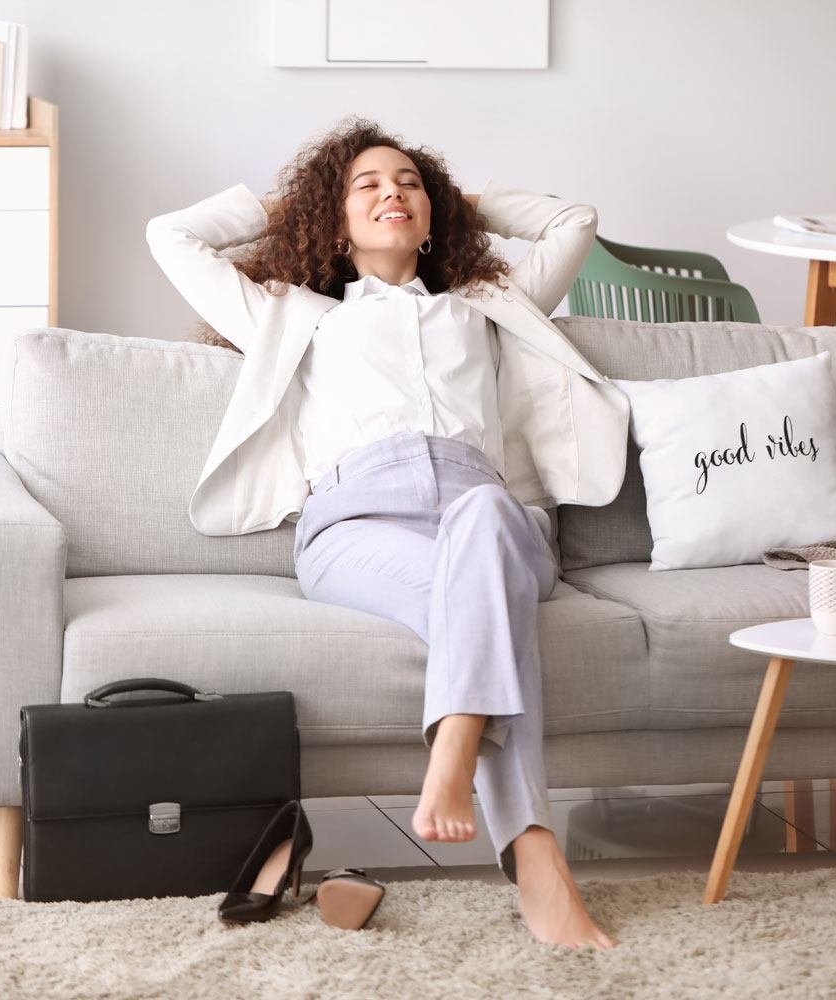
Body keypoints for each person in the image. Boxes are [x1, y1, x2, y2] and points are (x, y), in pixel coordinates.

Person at [146, 117, 626, 950]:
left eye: (407, 183)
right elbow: (172, 235)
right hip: (359, 525)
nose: (390, 193)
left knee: (483, 521)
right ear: (332, 220)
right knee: (484, 607)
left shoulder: (487, 305)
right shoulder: (292, 314)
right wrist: (293, 201)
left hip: (487, 516)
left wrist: (454, 197)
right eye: (365, 186)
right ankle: (536, 859)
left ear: (433, 214)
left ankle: (453, 753)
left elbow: (572, 220)